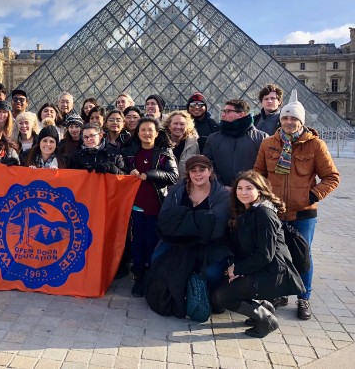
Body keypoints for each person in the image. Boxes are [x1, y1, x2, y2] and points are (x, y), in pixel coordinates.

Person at [254, 90, 340, 320]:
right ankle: (280, 292)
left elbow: (332, 177)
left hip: (303, 211)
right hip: (274, 210)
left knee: (303, 256)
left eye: (294, 119)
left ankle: (304, 297)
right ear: (280, 119)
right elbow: (258, 174)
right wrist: (261, 197)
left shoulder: (316, 145)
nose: (289, 122)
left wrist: (313, 196)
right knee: (275, 254)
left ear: (302, 121)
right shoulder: (268, 143)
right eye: (285, 118)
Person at [211, 170, 305, 338]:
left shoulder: (264, 213)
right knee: (223, 288)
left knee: (221, 297)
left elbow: (265, 254)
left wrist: (238, 269)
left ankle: (267, 320)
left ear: (260, 190)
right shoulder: (248, 210)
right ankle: (265, 308)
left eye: (249, 188)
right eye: (239, 188)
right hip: (260, 267)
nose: (243, 192)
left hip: (273, 271)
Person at [120, 117, 179, 297]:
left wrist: (151, 174)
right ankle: (139, 277)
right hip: (135, 206)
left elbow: (173, 176)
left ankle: (151, 277)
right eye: (142, 130)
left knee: (152, 243)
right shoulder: (129, 151)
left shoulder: (164, 151)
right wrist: (128, 171)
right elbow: (119, 167)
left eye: (150, 130)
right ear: (137, 133)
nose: (146, 133)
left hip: (156, 206)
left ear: (157, 132)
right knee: (137, 243)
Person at [157, 156, 231, 290]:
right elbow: (165, 219)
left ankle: (213, 296)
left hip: (210, 245)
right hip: (177, 242)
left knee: (211, 274)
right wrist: (200, 223)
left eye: (202, 170)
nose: (198, 174)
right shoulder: (177, 191)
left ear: (210, 171)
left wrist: (183, 222)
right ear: (188, 173)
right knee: (156, 258)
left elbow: (216, 230)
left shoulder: (221, 195)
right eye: (193, 170)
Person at [203, 99, 267, 187]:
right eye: (223, 111)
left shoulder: (262, 138)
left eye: (227, 111)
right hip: (221, 192)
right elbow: (207, 165)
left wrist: (250, 186)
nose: (223, 114)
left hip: (252, 191)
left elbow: (265, 168)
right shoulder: (213, 138)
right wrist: (221, 186)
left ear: (241, 114)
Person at [162, 110, 199, 179]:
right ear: (169, 126)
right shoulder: (161, 144)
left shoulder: (193, 144)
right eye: (175, 123)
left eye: (182, 124)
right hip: (166, 186)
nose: (178, 127)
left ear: (187, 126)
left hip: (187, 186)